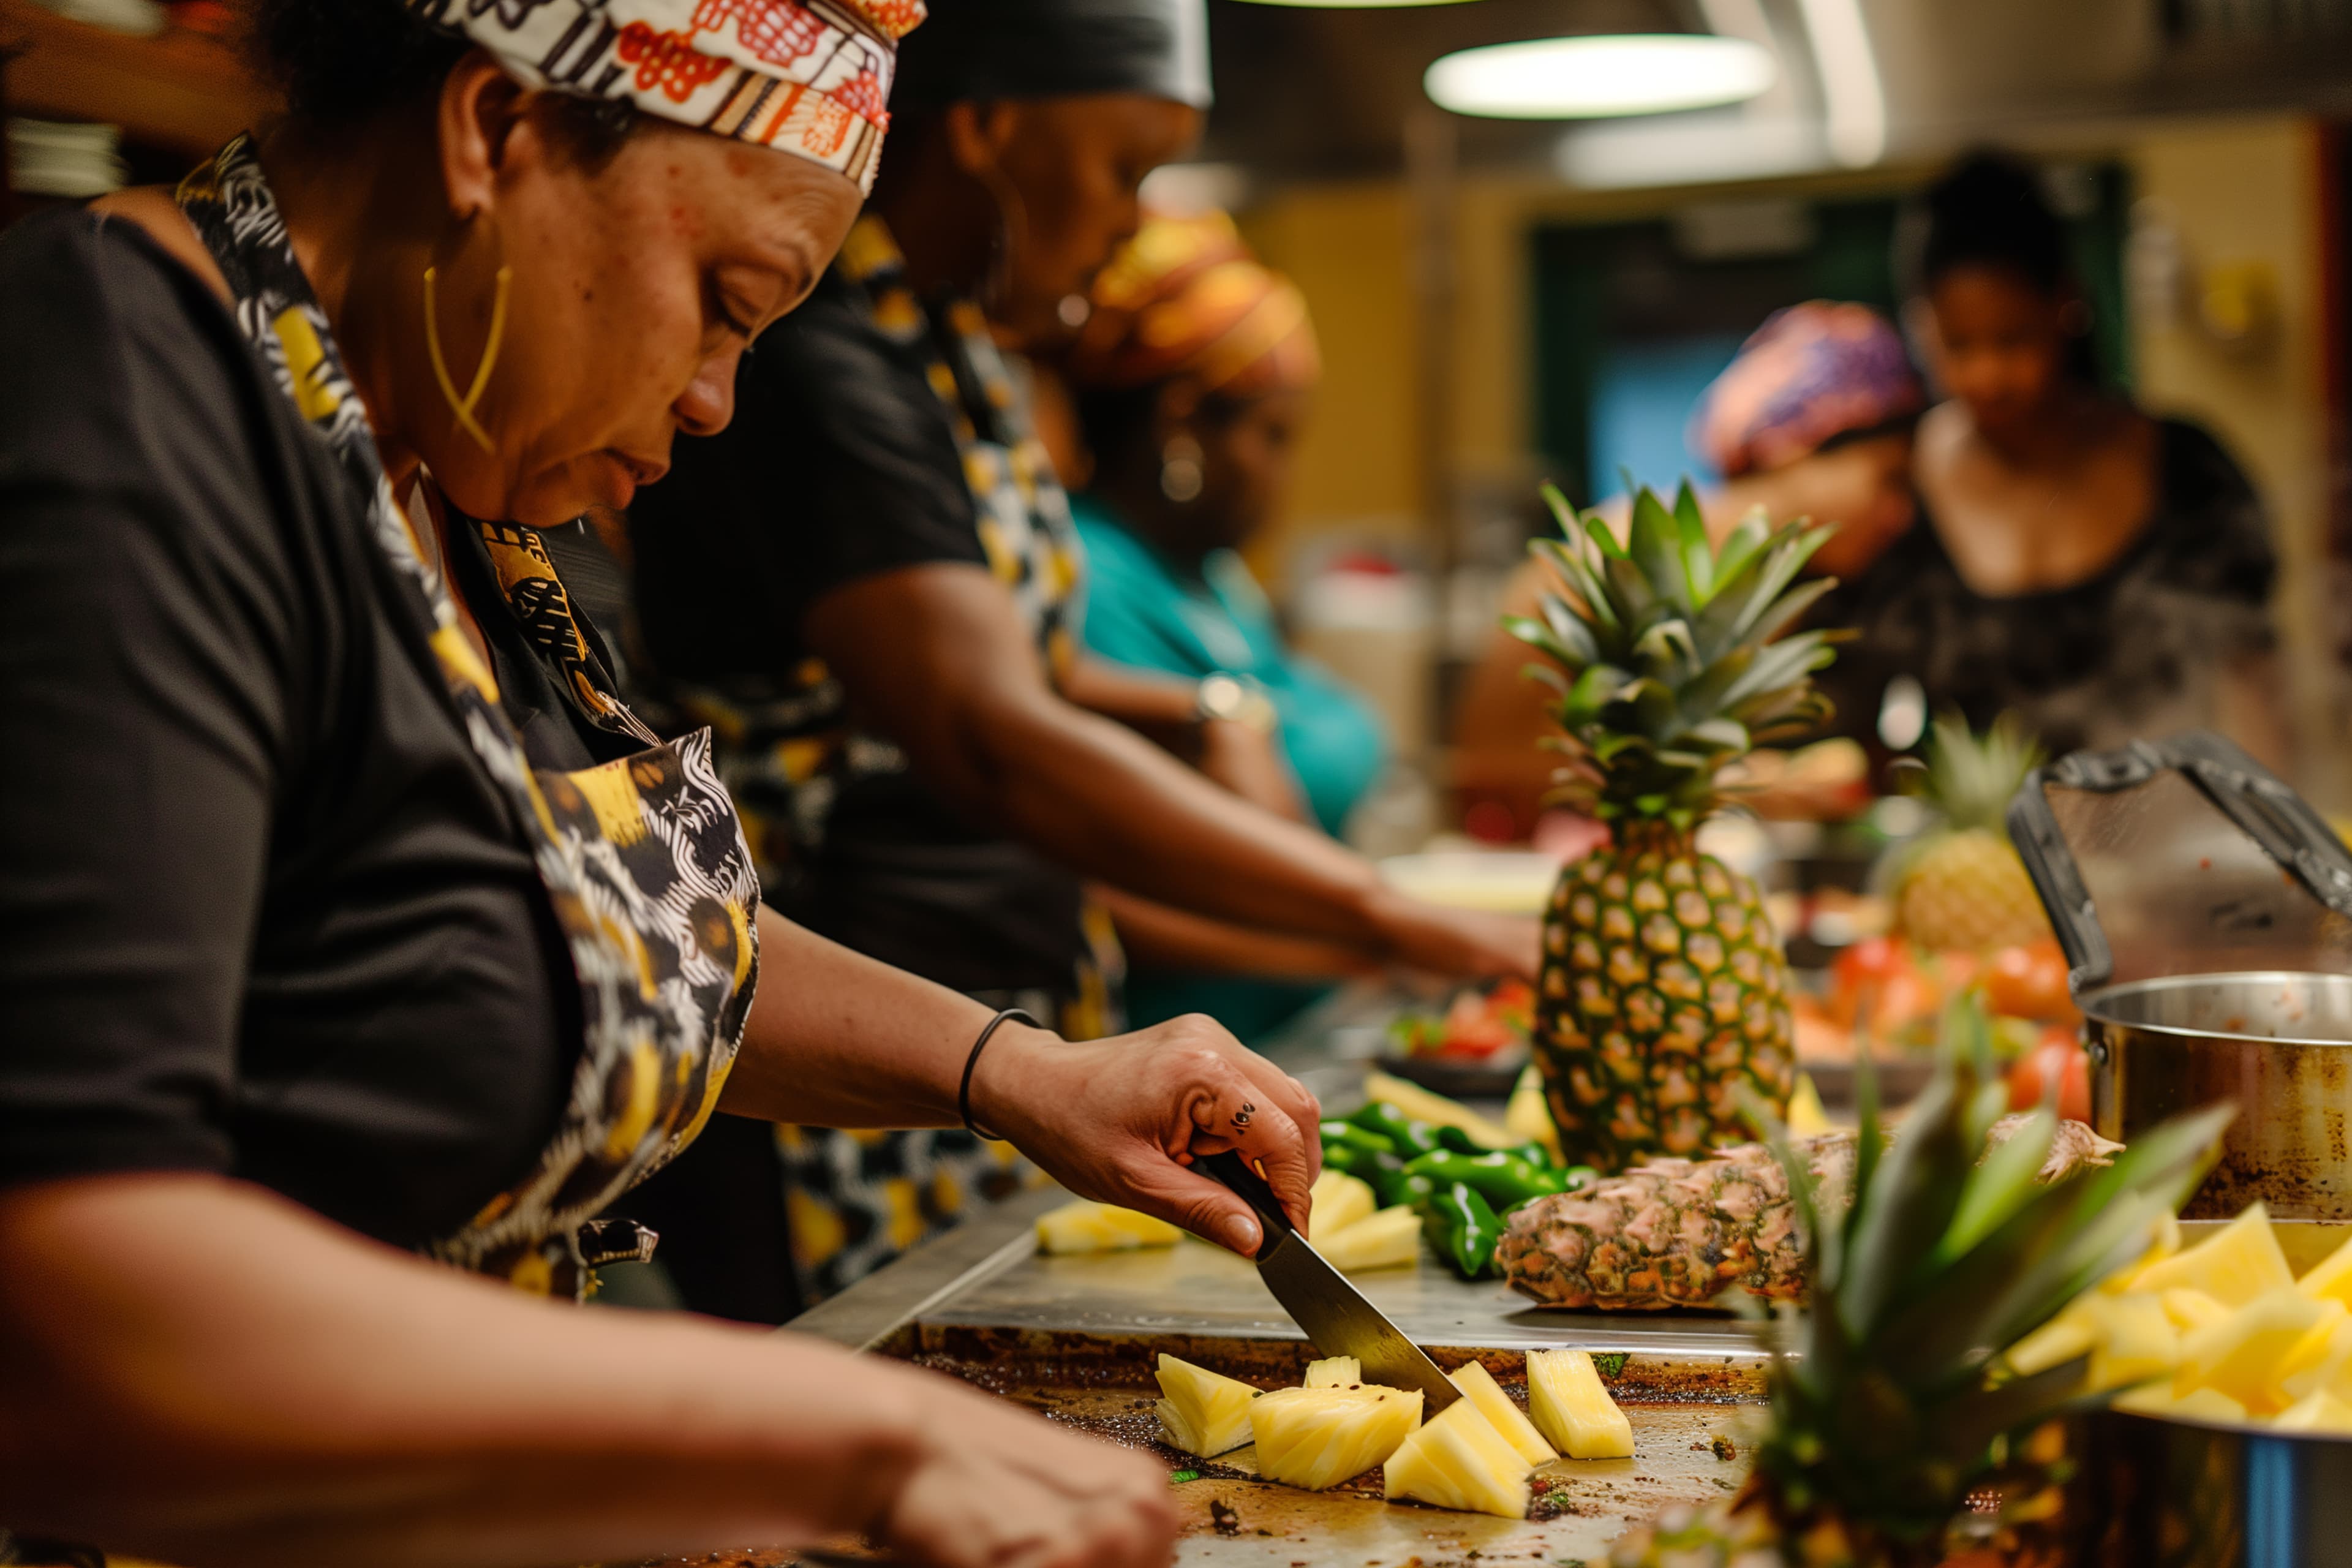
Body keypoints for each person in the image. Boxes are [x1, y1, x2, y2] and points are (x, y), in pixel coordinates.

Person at [0, 4, 1325, 1564]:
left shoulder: (448, 467)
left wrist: (1022, 1073)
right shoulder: (115, 401)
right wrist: (846, 1431)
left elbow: (579, 930)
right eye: (724, 301)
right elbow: (67, 1295)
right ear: (495, 133)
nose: (715, 401)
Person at [624, 0, 1535, 1311]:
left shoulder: (955, 348)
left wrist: (1204, 705)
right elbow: (989, 727)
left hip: (993, 1020)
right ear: (990, 130)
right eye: (1127, 169)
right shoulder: (820, 360)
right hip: (829, 1035)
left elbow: (1021, 664)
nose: (1132, 221)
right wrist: (1378, 911)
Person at [1824, 151, 2281, 760]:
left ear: (2064, 306)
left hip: (2174, 836)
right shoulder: (1891, 491)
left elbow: (2253, 676)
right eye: (1959, 345)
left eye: (2012, 340)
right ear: (1921, 327)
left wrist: (2274, 826)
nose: (1988, 376)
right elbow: (1848, 719)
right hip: (1977, 848)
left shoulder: (2186, 465)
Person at [1060, 208, 1387, 1039]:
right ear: (1182, 420)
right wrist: (1368, 947)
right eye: (1273, 434)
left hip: (1296, 1030)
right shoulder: (1087, 575)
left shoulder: (1217, 577)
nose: (1284, 473)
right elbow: (1084, 882)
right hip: (1179, 1050)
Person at [1453, 300, 1925, 837]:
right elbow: (1486, 766)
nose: (1899, 513)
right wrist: (1741, 782)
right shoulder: (1615, 558)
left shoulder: (1816, 592)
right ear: (1801, 447)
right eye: (1887, 477)